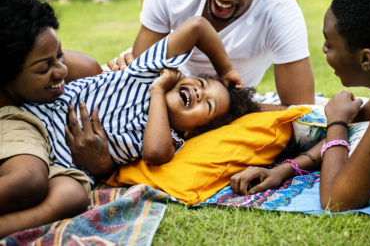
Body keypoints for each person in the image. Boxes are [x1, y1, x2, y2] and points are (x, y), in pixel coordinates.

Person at [230, 0, 370, 212]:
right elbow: (357, 124)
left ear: (366, 59)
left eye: (329, 44)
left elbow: (337, 200)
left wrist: (336, 122)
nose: (323, 50)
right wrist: (284, 170)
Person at [21, 15, 260, 183]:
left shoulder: (170, 138)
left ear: (193, 133)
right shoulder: (149, 71)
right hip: (39, 107)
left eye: (208, 104)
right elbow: (197, 26)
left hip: (52, 157)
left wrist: (158, 92)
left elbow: (155, 153)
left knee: (58, 192)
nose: (199, 93)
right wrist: (226, 70)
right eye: (200, 84)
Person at [106, 0, 315, 107]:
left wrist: (228, 107)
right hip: (168, 91)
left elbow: (301, 109)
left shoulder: (280, 11)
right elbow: (139, 80)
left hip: (226, 104)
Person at [0, 0, 91, 238]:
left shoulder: (76, 69)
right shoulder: (11, 117)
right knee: (30, 181)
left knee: (71, 194)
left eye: (59, 54)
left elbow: (91, 72)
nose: (61, 70)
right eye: (44, 68)